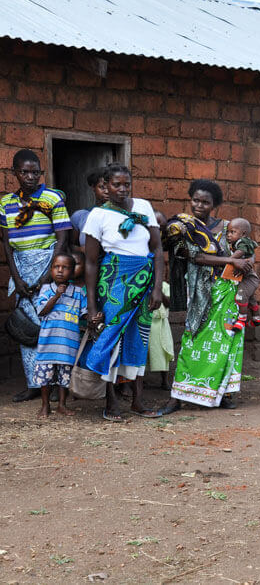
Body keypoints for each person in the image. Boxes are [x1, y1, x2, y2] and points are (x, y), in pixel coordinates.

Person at [159, 180, 252, 415]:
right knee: (192, 341)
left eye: (205, 202)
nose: (199, 205)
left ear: (215, 205)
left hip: (228, 294)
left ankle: (221, 394)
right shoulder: (184, 228)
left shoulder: (231, 227)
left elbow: (248, 251)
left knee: (227, 343)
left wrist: (244, 263)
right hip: (199, 294)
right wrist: (231, 260)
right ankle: (177, 396)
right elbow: (194, 257)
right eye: (196, 200)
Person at [80, 163, 163, 421]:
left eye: (127, 184)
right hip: (114, 282)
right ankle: (111, 402)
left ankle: (138, 401)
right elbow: (91, 262)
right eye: (117, 184)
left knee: (140, 339)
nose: (122, 189)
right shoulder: (98, 215)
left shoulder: (143, 207)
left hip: (144, 280)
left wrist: (158, 287)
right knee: (111, 340)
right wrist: (92, 306)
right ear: (105, 185)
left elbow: (158, 250)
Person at [1, 149, 71, 403]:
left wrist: (48, 276)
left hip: (48, 266)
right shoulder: (6, 203)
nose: (30, 176)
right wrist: (17, 278)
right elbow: (7, 243)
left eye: (35, 172)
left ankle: (54, 385)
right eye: (24, 172)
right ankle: (34, 384)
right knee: (26, 328)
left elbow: (63, 237)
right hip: (21, 268)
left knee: (51, 327)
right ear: (14, 173)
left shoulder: (52, 198)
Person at [32, 253, 87, 417]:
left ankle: (62, 405)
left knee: (65, 377)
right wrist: (56, 295)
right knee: (45, 377)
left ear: (72, 272)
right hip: (48, 344)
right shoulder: (45, 289)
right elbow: (41, 311)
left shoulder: (78, 292)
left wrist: (93, 316)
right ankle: (45, 405)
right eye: (57, 267)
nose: (60, 271)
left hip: (68, 345)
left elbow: (84, 314)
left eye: (65, 268)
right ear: (51, 270)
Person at [146, 211, 175, 390]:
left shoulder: (165, 286)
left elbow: (170, 302)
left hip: (160, 322)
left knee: (162, 351)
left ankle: (164, 380)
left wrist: (158, 289)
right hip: (146, 320)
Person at [224, 217, 260, 332]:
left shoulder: (242, 243)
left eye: (233, 232)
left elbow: (241, 252)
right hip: (246, 279)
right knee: (250, 298)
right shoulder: (238, 242)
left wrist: (229, 260)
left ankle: (242, 320)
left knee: (240, 297)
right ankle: (256, 318)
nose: (229, 235)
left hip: (249, 279)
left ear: (243, 234)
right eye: (228, 232)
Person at [70, 167, 108, 249]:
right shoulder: (81, 216)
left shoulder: (121, 216)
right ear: (93, 187)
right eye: (102, 187)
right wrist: (81, 249)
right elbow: (72, 245)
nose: (107, 191)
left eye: (109, 187)